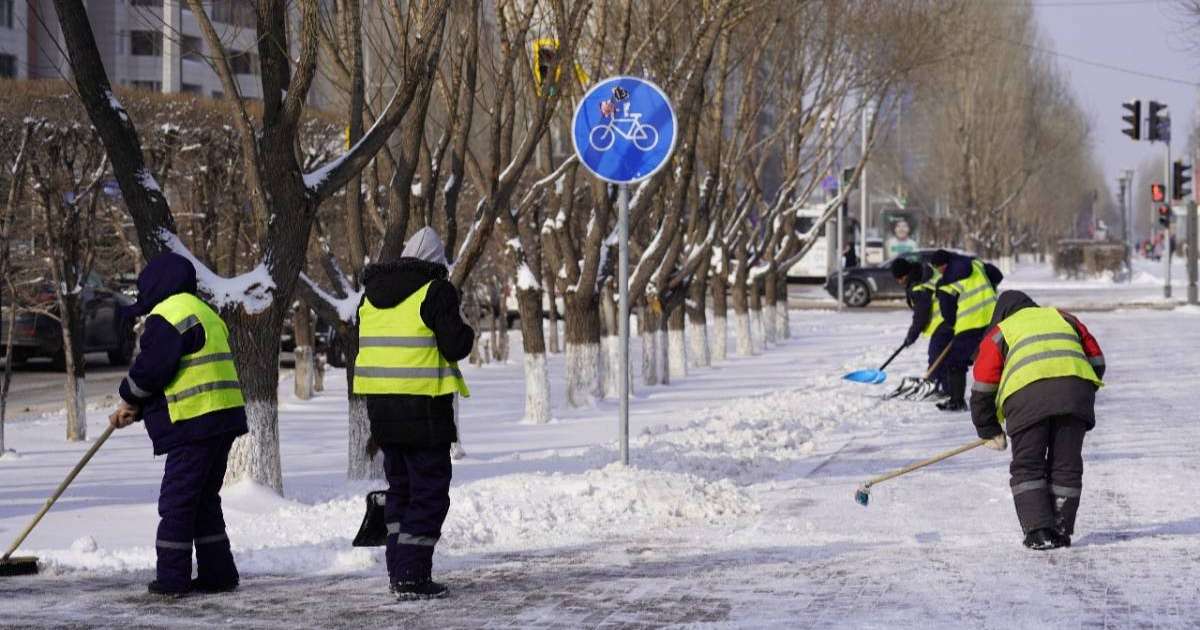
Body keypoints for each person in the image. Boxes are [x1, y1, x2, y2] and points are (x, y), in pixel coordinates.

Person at [109, 252, 248, 597]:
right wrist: (138, 409)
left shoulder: (168, 316)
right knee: (202, 500)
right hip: (222, 418)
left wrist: (130, 396)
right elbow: (184, 372)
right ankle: (219, 574)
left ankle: (172, 579)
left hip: (194, 423)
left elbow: (152, 370)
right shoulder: (204, 312)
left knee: (177, 502)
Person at [354, 227, 474, 600]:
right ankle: (411, 575)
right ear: (437, 264)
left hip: (382, 412)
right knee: (429, 492)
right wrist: (466, 330)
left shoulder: (368, 298)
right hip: (424, 411)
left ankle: (399, 570)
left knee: (401, 490)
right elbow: (455, 345)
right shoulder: (435, 291)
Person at [969, 291, 1104, 550]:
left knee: (1028, 465)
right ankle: (1061, 528)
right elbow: (1096, 360)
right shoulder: (1064, 318)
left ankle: (1039, 530)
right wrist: (1073, 392)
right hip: (1075, 395)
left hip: (1026, 401)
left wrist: (988, 428)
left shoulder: (1001, 331)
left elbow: (984, 387)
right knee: (1067, 464)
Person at [930, 249, 1002, 411]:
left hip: (970, 323)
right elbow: (997, 274)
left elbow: (948, 314)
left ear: (941, 267)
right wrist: (990, 290)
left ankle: (957, 401)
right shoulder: (976, 264)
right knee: (996, 358)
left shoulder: (946, 283)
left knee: (955, 362)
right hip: (993, 318)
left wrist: (955, 325)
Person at [890, 258, 948, 397]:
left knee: (936, 354)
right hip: (950, 317)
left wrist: (912, 336)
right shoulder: (923, 273)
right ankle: (945, 388)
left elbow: (921, 316)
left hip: (945, 321)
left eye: (900, 278)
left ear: (906, 274)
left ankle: (936, 387)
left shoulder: (920, 287)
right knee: (942, 356)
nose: (899, 282)